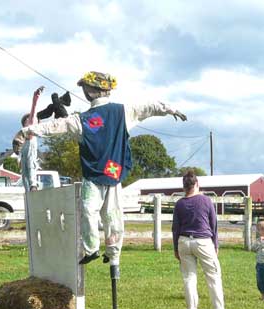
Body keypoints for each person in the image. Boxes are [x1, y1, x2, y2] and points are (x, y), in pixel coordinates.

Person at [12, 71, 187, 275]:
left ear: (91, 91)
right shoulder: (116, 113)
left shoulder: (93, 117)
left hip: (99, 174)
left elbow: (53, 126)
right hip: (110, 174)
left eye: (85, 88)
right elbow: (151, 106)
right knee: (111, 216)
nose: (85, 92)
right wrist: (170, 109)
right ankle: (105, 251)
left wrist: (25, 131)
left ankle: (100, 249)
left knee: (91, 211)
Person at [172, 171, 236, 309]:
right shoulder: (206, 200)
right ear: (196, 184)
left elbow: (175, 227)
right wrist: (216, 244)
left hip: (184, 241)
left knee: (189, 277)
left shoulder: (179, 203)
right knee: (213, 275)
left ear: (184, 186)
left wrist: (175, 248)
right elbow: (213, 224)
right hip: (203, 241)